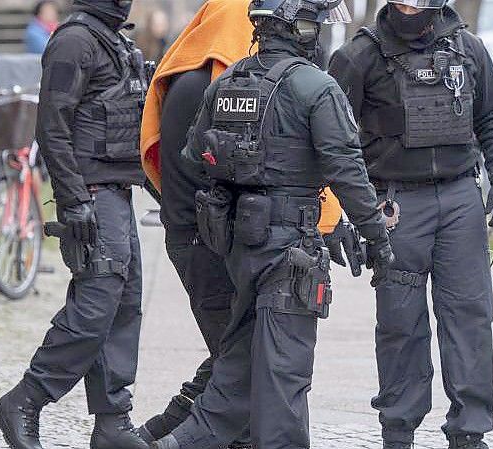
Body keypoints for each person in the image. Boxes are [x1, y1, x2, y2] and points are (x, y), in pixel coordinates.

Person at [151, 1, 393, 448]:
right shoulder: (315, 87)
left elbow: (193, 157)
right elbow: (347, 170)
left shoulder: (228, 81)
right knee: (284, 375)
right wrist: (376, 236)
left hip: (240, 245)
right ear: (298, 26)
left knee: (238, 368)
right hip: (291, 249)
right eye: (313, 25)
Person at [328, 1, 493, 448]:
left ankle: (469, 432)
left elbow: (492, 116)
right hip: (395, 205)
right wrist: (338, 211)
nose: (411, 7)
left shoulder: (469, 49)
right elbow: (332, 139)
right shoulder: (358, 57)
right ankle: (398, 429)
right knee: (400, 323)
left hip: (460, 200)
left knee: (469, 317)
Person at [0, 1, 149, 449]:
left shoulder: (109, 38)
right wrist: (75, 201)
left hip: (115, 191)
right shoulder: (75, 41)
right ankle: (25, 399)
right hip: (93, 195)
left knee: (124, 306)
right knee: (95, 309)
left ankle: (112, 421)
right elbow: (51, 126)